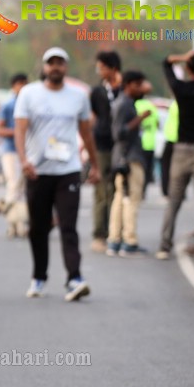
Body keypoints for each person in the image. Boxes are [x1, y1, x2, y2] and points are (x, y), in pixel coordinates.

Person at [14, 47, 99, 301]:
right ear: (44, 67)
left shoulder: (78, 96)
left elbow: (86, 132)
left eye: (60, 63)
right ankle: (39, 277)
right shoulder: (29, 94)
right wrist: (23, 160)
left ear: (66, 67)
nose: (55, 67)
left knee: (68, 227)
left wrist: (94, 164)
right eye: (51, 63)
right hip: (38, 171)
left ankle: (75, 278)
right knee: (38, 228)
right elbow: (20, 130)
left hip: (68, 170)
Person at [156, 51, 194, 261]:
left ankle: (164, 245)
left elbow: (165, 63)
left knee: (173, 200)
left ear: (187, 69)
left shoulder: (181, 89)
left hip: (181, 150)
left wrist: (183, 57)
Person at [106, 70, 151, 258]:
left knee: (120, 199)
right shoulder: (124, 104)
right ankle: (129, 241)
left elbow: (147, 90)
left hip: (123, 157)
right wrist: (139, 119)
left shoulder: (126, 102)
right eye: (138, 84)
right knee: (132, 198)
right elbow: (118, 133)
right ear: (129, 84)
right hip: (129, 157)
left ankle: (115, 240)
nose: (142, 88)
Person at [89, 50, 122, 252]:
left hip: (121, 145)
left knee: (118, 191)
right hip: (101, 144)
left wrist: (120, 85)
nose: (99, 70)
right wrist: (87, 146)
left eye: (102, 67)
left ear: (113, 68)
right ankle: (99, 234)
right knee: (101, 190)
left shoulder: (126, 88)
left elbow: (146, 87)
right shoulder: (96, 91)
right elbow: (92, 118)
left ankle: (116, 232)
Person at [0, 73, 30, 238]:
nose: (21, 87)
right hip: (10, 150)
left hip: (27, 150)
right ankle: (12, 224)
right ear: (13, 86)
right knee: (13, 185)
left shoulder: (30, 103)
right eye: (19, 84)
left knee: (22, 189)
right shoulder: (8, 105)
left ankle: (20, 223)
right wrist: (16, 132)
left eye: (24, 83)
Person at [134, 81, 158, 199]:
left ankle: (137, 191)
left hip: (139, 144)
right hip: (150, 143)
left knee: (138, 170)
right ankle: (143, 192)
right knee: (147, 171)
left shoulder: (135, 104)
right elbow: (158, 124)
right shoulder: (151, 106)